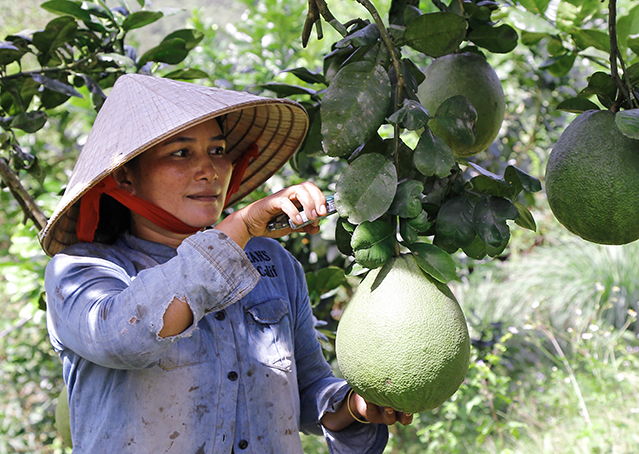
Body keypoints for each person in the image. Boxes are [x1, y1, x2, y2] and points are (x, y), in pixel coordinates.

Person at [40, 74, 412, 454]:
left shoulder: (274, 264)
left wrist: (353, 406)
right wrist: (239, 227)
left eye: (217, 151)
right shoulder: (80, 271)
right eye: (181, 153)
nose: (209, 170)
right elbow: (125, 338)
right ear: (126, 177)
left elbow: (307, 390)